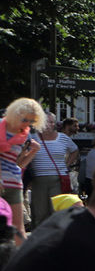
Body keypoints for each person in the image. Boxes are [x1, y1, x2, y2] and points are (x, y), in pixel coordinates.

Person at [1, 98, 46, 244]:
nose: (28, 123)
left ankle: (23, 263)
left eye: (31, 121)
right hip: (6, 182)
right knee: (15, 229)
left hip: (13, 182)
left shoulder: (24, 134)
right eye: (26, 118)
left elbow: (18, 164)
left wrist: (33, 152)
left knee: (19, 229)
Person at [27, 113, 79, 229]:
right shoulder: (32, 137)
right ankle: (39, 240)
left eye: (51, 122)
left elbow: (75, 150)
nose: (48, 125)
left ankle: (56, 239)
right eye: (45, 122)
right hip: (38, 179)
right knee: (40, 212)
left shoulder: (63, 138)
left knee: (56, 211)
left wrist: (67, 164)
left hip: (58, 178)